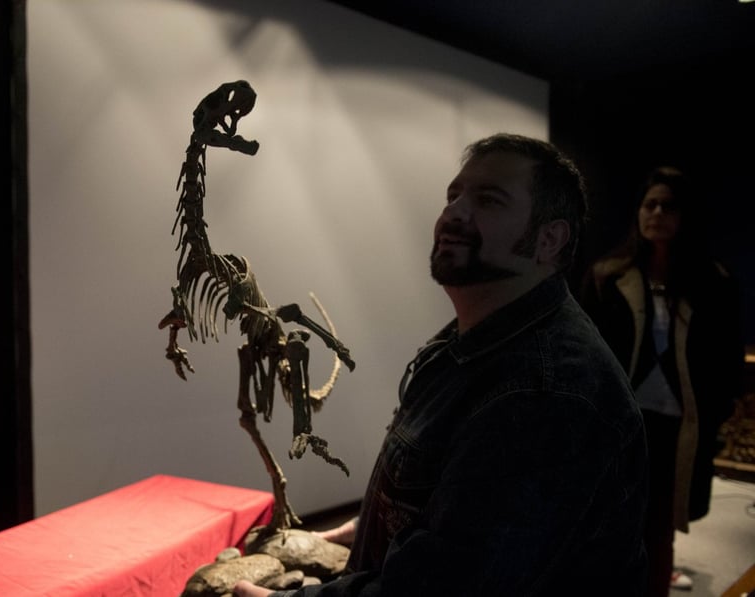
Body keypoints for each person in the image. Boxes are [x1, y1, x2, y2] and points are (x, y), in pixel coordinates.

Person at [234, 133, 648, 597]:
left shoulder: (543, 393)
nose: (453, 213)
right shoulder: (473, 341)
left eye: (488, 200)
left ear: (549, 239)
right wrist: (372, 524)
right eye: (453, 196)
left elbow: (452, 586)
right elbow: (470, 508)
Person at [578, 166, 743, 595]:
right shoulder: (607, 277)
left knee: (660, 523)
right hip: (621, 422)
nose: (656, 213)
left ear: (684, 215)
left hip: (678, 425)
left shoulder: (713, 283)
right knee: (611, 517)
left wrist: (713, 414)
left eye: (668, 205)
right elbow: (585, 352)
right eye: (649, 204)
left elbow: (726, 359)